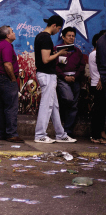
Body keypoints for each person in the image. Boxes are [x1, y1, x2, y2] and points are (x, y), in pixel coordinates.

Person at [34, 15, 76, 143]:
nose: (58, 31)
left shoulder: (41, 36)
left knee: (54, 106)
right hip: (47, 75)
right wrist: (59, 53)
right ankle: (40, 134)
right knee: (47, 105)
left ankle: (60, 134)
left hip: (48, 75)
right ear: (53, 26)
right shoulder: (46, 38)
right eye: (58, 28)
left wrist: (55, 53)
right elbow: (46, 59)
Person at [0, 25, 23, 143]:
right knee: (11, 107)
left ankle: (2, 133)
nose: (14, 33)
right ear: (8, 35)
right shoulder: (6, 46)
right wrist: (13, 79)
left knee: (2, 107)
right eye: (12, 31)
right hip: (6, 80)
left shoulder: (0, 46)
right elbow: (7, 64)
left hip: (0, 80)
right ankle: (11, 134)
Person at [55, 27, 86, 138]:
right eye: (69, 35)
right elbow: (55, 65)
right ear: (63, 37)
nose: (71, 38)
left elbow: (82, 66)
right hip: (62, 79)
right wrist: (64, 76)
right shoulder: (57, 49)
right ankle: (61, 122)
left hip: (75, 79)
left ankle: (68, 130)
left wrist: (75, 76)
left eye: (73, 36)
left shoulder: (77, 51)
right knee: (68, 99)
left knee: (74, 105)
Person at [89, 31, 106, 143]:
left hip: (97, 84)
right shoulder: (95, 54)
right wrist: (101, 80)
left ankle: (98, 134)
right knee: (99, 111)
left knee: (99, 111)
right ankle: (96, 135)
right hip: (99, 85)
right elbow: (101, 67)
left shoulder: (92, 54)